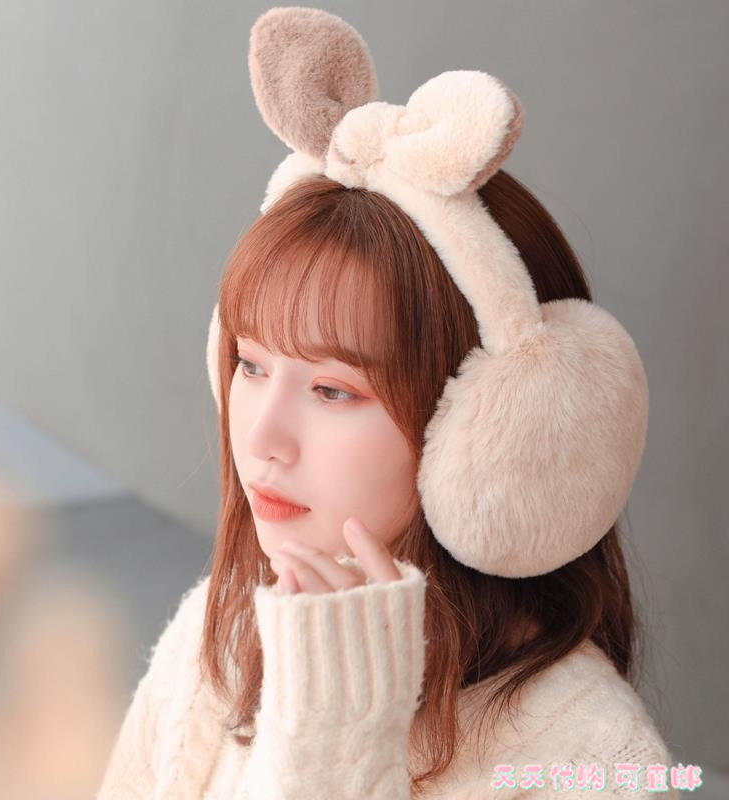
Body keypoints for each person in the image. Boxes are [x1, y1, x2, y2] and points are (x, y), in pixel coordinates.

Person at [96, 7, 680, 799]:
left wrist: (329, 743)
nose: (263, 437)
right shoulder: (220, 638)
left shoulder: (596, 760)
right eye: (251, 365)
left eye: (332, 390)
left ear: (496, 433)